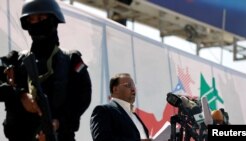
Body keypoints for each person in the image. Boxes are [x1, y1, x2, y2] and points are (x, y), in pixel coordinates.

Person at [0, 0, 92, 141]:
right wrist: (20, 95)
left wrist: (57, 123)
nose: (36, 23)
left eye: (42, 18)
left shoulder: (70, 60)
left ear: (54, 20)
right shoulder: (15, 61)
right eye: (32, 19)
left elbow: (82, 98)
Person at [90, 73, 151, 141]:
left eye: (133, 85)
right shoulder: (103, 111)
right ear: (115, 89)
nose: (133, 89)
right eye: (128, 85)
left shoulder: (133, 115)